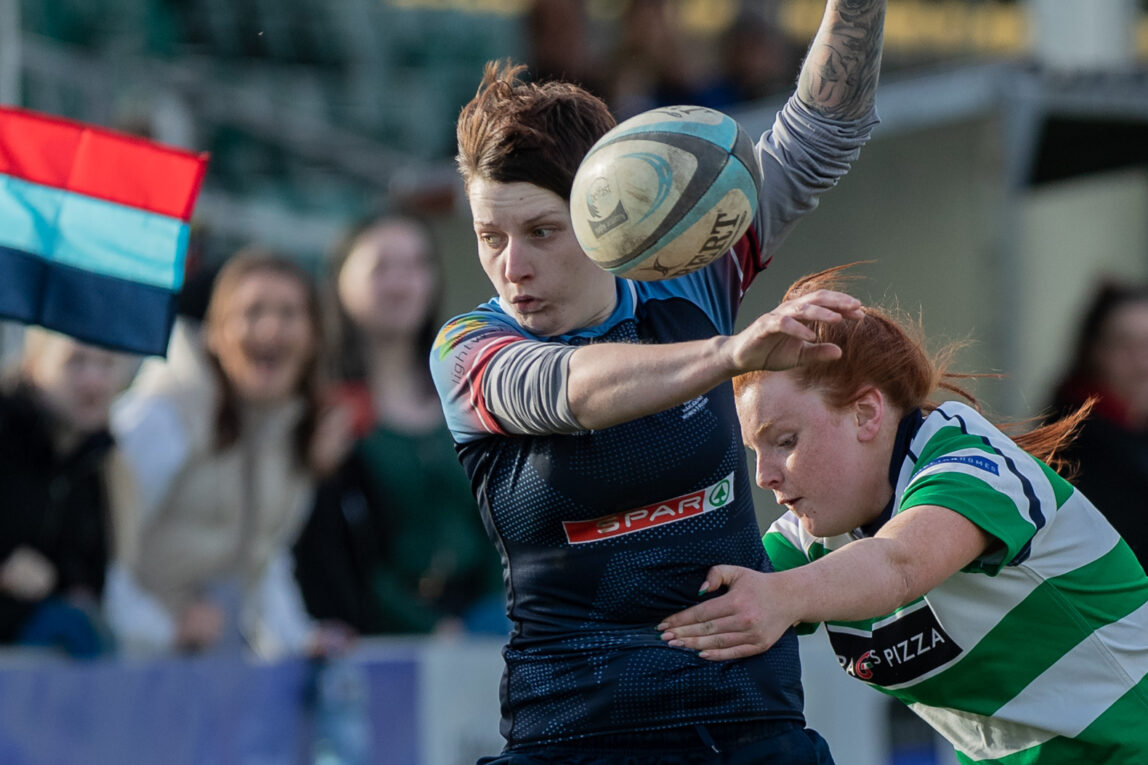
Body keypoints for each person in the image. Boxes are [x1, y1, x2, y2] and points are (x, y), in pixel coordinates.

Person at [428, 0, 887, 760]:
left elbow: (821, 134)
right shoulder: (472, 348)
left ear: (611, 212)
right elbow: (567, 388)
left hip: (751, 728)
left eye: (541, 232)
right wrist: (725, 355)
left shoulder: (690, 281)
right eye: (489, 236)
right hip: (577, 738)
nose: (512, 267)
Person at [657, 265, 1148, 764]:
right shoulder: (818, 530)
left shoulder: (971, 467)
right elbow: (702, 608)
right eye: (754, 451)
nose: (764, 476)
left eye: (786, 441)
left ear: (866, 413)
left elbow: (899, 563)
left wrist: (782, 595)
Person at [105, 248, 352, 659]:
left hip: (205, 665)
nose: (271, 329)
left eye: (289, 314)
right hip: (127, 661)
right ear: (215, 333)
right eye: (252, 312)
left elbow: (266, 559)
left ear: (313, 337)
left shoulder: (289, 431)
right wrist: (162, 629)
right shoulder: (162, 415)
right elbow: (107, 548)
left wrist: (299, 639)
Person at [292, 214, 505, 636]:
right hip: (377, 634)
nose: (402, 283)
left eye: (416, 265)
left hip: (486, 620)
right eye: (382, 267)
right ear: (339, 279)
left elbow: (496, 524)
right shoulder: (320, 407)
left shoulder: (467, 389)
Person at [0, 328, 135, 657]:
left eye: (106, 364)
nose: (94, 381)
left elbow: (92, 571)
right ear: (35, 364)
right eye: (75, 362)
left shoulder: (96, 457)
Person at [1046, 281, 1148, 571]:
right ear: (1095, 353)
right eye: (1125, 346)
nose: (1142, 363)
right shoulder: (1070, 447)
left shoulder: (1135, 431)